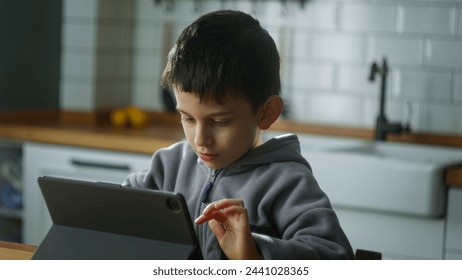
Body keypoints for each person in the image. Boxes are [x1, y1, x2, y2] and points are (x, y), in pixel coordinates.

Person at [123, 10, 354, 260]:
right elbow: (114, 211)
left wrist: (254, 255)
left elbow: (337, 258)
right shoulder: (169, 166)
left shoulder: (287, 182)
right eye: (188, 118)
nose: (200, 139)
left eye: (219, 121)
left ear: (266, 113)